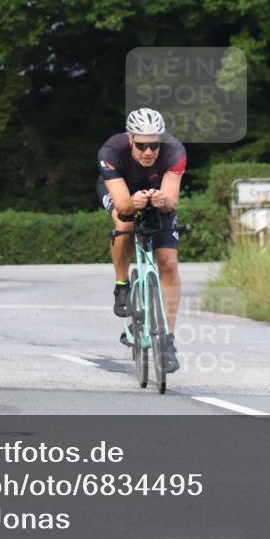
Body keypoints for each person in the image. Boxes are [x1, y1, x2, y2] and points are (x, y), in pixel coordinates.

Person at [97, 108, 186, 373]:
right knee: (124, 223)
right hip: (122, 190)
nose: (149, 152)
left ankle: (168, 340)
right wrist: (132, 203)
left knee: (168, 263)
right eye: (142, 145)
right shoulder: (110, 152)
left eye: (154, 145)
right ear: (130, 140)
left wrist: (163, 201)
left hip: (157, 195)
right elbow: (124, 207)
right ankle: (122, 285)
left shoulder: (175, 151)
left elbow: (171, 202)